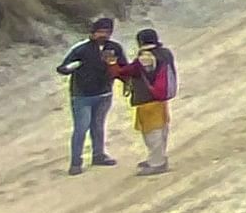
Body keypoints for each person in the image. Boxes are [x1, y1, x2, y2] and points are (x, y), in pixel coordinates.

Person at [58, 16, 125, 174]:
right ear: (93, 33)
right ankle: (75, 163)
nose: (103, 35)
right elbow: (62, 67)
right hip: (82, 95)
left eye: (106, 32)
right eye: (100, 32)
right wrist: (71, 68)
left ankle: (98, 155)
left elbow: (124, 68)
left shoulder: (114, 48)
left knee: (98, 125)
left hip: (104, 93)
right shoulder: (81, 50)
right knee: (81, 128)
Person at [124, 28, 178, 174]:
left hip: (148, 99)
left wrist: (112, 66)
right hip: (162, 98)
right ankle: (159, 158)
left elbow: (131, 71)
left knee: (151, 133)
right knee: (162, 129)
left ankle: (157, 163)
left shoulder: (146, 56)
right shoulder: (165, 53)